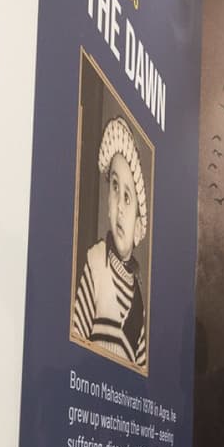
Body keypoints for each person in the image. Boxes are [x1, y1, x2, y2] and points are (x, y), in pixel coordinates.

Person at [71, 116, 150, 370]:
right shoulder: (95, 264)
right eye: (115, 187)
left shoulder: (138, 301)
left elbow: (140, 368)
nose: (120, 207)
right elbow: (76, 336)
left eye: (128, 198)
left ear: (138, 229)